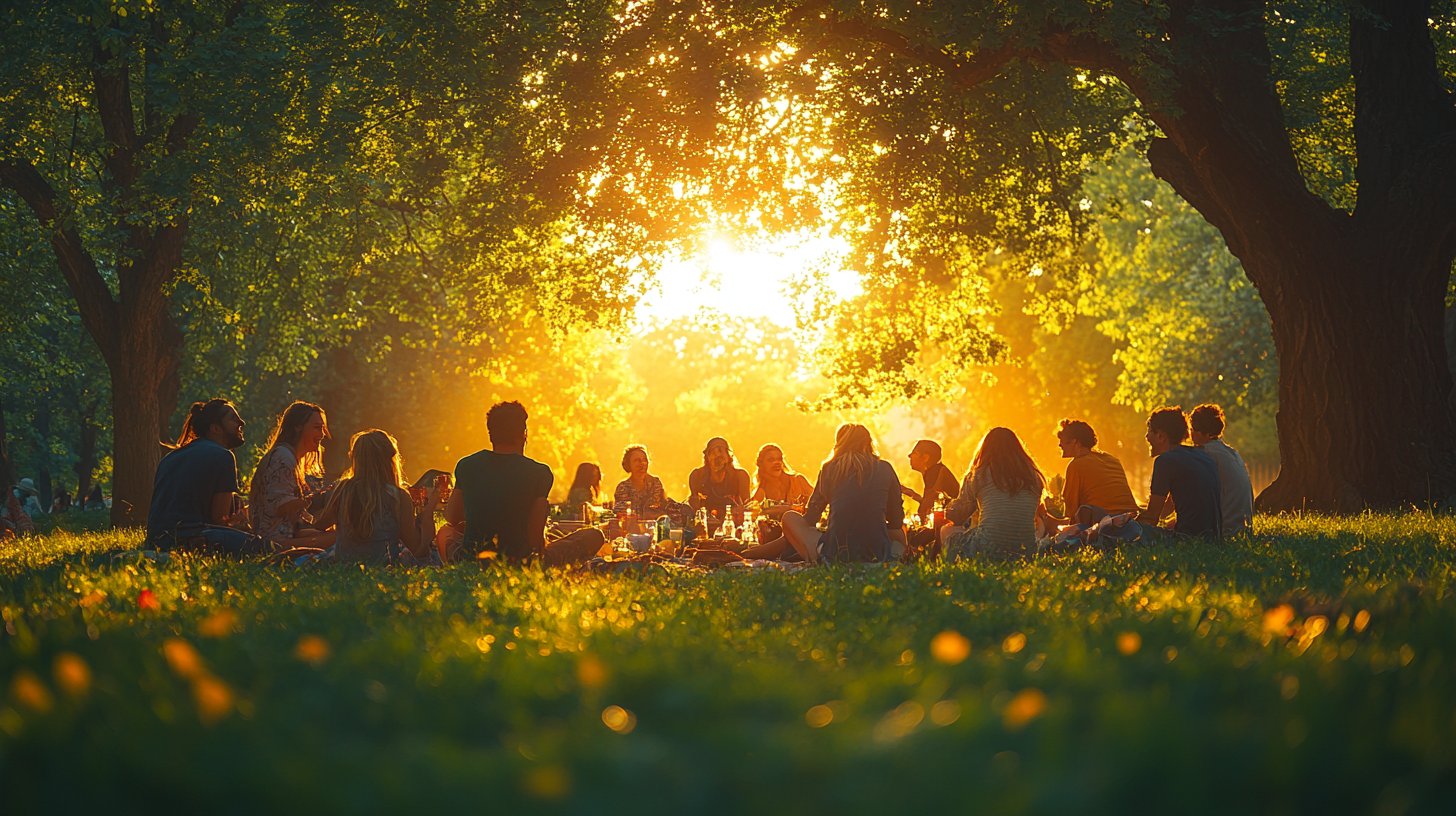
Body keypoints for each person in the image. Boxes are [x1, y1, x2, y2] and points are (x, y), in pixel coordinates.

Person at [441, 401, 604, 566]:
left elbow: (452, 517)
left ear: (490, 435)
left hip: (473, 560)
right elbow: (535, 540)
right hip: (523, 564)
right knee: (593, 535)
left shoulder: (467, 465)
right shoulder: (539, 473)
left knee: (445, 531)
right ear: (523, 434)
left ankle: (459, 568)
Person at [145, 398, 268, 555]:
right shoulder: (223, 456)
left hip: (156, 540)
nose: (241, 422)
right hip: (191, 539)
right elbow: (220, 520)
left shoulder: (170, 458)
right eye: (233, 419)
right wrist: (239, 525)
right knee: (269, 548)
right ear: (215, 428)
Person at [779, 424, 906, 564]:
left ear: (839, 443)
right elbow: (896, 520)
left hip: (838, 550)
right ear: (869, 443)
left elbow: (810, 518)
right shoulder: (885, 467)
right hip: (876, 550)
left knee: (790, 518)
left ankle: (817, 559)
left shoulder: (829, 468)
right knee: (899, 534)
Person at [314, 430, 434, 564]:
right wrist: (427, 519)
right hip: (384, 565)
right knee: (433, 555)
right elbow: (417, 550)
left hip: (344, 564)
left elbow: (321, 525)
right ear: (390, 460)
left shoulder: (344, 489)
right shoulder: (398, 497)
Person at [939, 427, 1046, 561]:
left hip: (987, 547)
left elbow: (959, 516)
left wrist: (949, 508)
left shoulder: (978, 475)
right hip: (1026, 550)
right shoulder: (1034, 477)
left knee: (947, 530)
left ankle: (952, 573)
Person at [1042, 419, 1141, 540]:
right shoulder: (1112, 460)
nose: (1060, 445)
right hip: (1133, 520)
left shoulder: (1076, 465)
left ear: (1076, 443)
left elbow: (1071, 510)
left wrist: (1065, 532)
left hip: (1107, 524)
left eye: (1063, 441)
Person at [248, 401, 331, 546]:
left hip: (286, 534)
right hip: (273, 542)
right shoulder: (282, 457)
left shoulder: (290, 457)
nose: (322, 435)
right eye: (317, 428)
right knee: (340, 540)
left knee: (339, 536)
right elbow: (279, 506)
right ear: (298, 427)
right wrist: (321, 497)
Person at [1136, 407, 1222, 538]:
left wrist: (1127, 522)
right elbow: (1165, 510)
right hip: (1214, 538)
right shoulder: (1202, 456)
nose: (1146, 436)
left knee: (1117, 530)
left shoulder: (1165, 461)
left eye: (1149, 431)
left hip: (1186, 539)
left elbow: (1151, 519)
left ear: (1160, 436)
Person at [1189, 404, 1255, 535]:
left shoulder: (1205, 454)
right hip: (1243, 529)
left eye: (1192, 429)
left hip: (1223, 531)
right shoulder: (1231, 453)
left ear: (1205, 433)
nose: (1190, 434)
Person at [688, 437, 751, 521]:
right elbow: (693, 506)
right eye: (712, 453)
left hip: (732, 521)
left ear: (728, 456)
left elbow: (747, 506)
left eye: (720, 451)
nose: (717, 456)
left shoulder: (740, 476)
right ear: (707, 458)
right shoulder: (697, 476)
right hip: (706, 522)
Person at [612, 445, 671, 528]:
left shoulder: (655, 483)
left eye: (644, 460)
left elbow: (661, 509)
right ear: (628, 464)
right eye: (637, 460)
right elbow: (621, 515)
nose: (642, 463)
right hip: (630, 531)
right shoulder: (623, 487)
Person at [901, 439, 960, 518]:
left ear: (925, 458)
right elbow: (930, 502)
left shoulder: (935, 473)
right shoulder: (935, 471)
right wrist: (911, 493)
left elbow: (925, 509)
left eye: (914, 453)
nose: (909, 456)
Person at [750, 444, 813, 510]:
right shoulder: (761, 491)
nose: (777, 462)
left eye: (779, 459)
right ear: (761, 464)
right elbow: (753, 511)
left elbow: (819, 501)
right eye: (771, 460)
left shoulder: (799, 480)